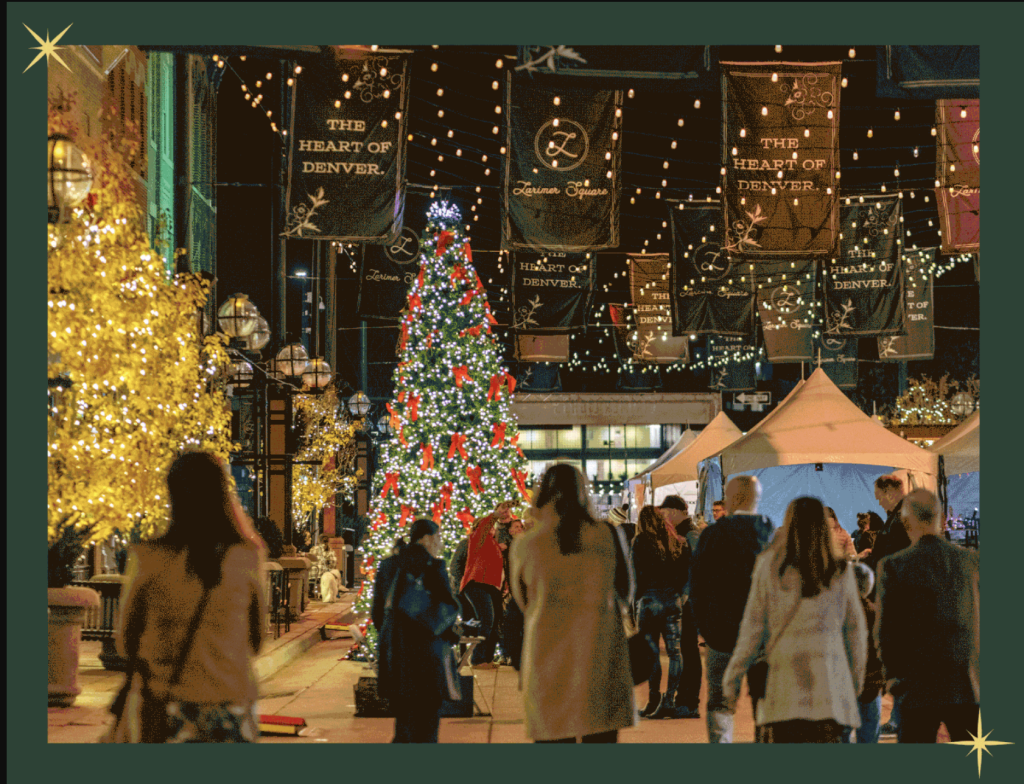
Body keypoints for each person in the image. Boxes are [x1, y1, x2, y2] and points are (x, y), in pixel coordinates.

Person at [115, 451, 266, 743]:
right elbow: (257, 639)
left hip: (169, 704)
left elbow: (127, 640)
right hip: (231, 702)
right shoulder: (246, 558)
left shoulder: (148, 558)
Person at [722, 497, 867, 743]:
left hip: (783, 690)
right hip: (830, 690)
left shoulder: (769, 567)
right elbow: (855, 632)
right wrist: (854, 683)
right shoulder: (840, 570)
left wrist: (732, 681)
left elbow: (752, 629)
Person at [510, 464, 636, 743]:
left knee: (553, 738)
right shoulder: (607, 534)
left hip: (547, 655)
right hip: (599, 653)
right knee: (600, 738)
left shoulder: (526, 544)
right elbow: (625, 592)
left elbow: (522, 601)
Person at [875, 490, 980, 744]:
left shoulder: (894, 566)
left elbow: (887, 630)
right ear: (942, 519)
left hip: (916, 685)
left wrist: (891, 676)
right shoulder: (970, 561)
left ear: (906, 522)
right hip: (966, 681)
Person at [689, 475, 774, 743]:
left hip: (721, 633)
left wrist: (705, 628)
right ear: (756, 498)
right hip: (765, 635)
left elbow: (697, 585)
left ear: (729, 498)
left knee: (720, 704)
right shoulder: (772, 534)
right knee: (766, 703)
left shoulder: (713, 535)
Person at [373, 518, 460, 744]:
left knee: (404, 722)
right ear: (426, 538)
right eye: (438, 538)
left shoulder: (387, 566)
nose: (439, 544)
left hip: (397, 654)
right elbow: (446, 609)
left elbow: (377, 613)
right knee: (428, 722)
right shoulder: (433, 567)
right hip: (428, 655)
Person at [862, 474, 912, 737]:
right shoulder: (898, 517)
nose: (879, 502)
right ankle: (898, 717)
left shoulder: (902, 518)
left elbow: (896, 558)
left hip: (897, 601)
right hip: (892, 598)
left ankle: (899, 719)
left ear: (890, 491)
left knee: (900, 664)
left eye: (880, 496)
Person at [631, 505, 690, 719]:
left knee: (652, 652)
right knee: (675, 652)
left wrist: (633, 606)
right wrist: (681, 596)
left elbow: (635, 577)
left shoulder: (640, 542)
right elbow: (686, 573)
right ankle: (669, 700)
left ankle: (653, 699)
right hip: (672, 601)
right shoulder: (677, 541)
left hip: (649, 600)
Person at [460, 502, 514, 668]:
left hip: (492, 587)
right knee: (487, 619)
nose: (492, 528)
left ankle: (487, 658)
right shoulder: (477, 536)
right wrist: (496, 514)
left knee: (496, 620)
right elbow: (485, 525)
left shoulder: (493, 544)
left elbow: (499, 569)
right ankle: (477, 659)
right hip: (477, 584)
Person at [664, 500, 703, 719]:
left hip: (688, 601)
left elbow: (696, 565)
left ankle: (689, 702)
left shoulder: (690, 533)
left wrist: (687, 594)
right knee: (685, 649)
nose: (666, 515)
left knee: (688, 649)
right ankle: (684, 700)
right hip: (684, 599)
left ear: (677, 511)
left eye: (668, 511)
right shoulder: (682, 531)